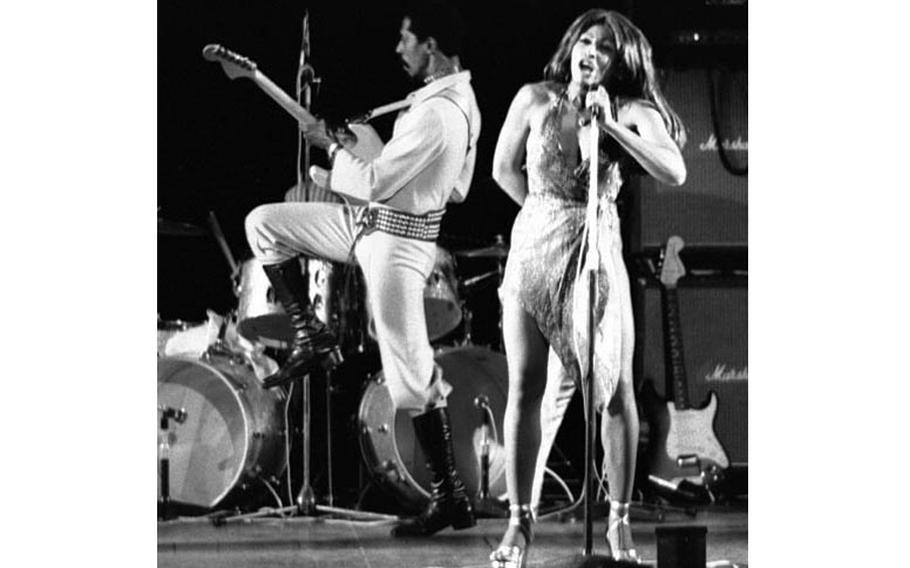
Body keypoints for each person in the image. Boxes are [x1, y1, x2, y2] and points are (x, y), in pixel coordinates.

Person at [244, 0, 482, 537]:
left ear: (432, 46)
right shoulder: (450, 102)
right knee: (264, 224)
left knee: (410, 380)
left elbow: (377, 184)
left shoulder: (442, 112)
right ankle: (311, 334)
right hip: (370, 226)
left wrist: (334, 153)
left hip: (399, 244)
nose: (399, 49)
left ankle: (452, 499)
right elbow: (458, 186)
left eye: (406, 39)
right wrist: (363, 156)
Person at [489, 9, 686, 567]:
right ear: (571, 47)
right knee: (525, 387)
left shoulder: (630, 110)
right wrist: (543, 216)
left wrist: (612, 129)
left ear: (618, 63)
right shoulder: (534, 99)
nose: (591, 52)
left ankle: (619, 526)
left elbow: (675, 172)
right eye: (585, 41)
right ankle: (519, 526)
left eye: (604, 48)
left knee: (614, 388)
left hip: (597, 251)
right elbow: (504, 170)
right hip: (534, 251)